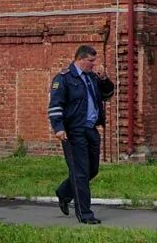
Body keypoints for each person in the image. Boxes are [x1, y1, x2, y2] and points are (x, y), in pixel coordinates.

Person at [48, 45, 114, 224]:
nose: (94, 64)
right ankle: (85, 214)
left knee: (92, 169)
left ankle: (63, 192)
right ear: (81, 59)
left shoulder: (92, 78)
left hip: (90, 130)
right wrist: (59, 128)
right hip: (73, 131)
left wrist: (104, 79)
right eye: (91, 61)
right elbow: (55, 105)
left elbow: (108, 95)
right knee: (80, 173)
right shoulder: (64, 79)